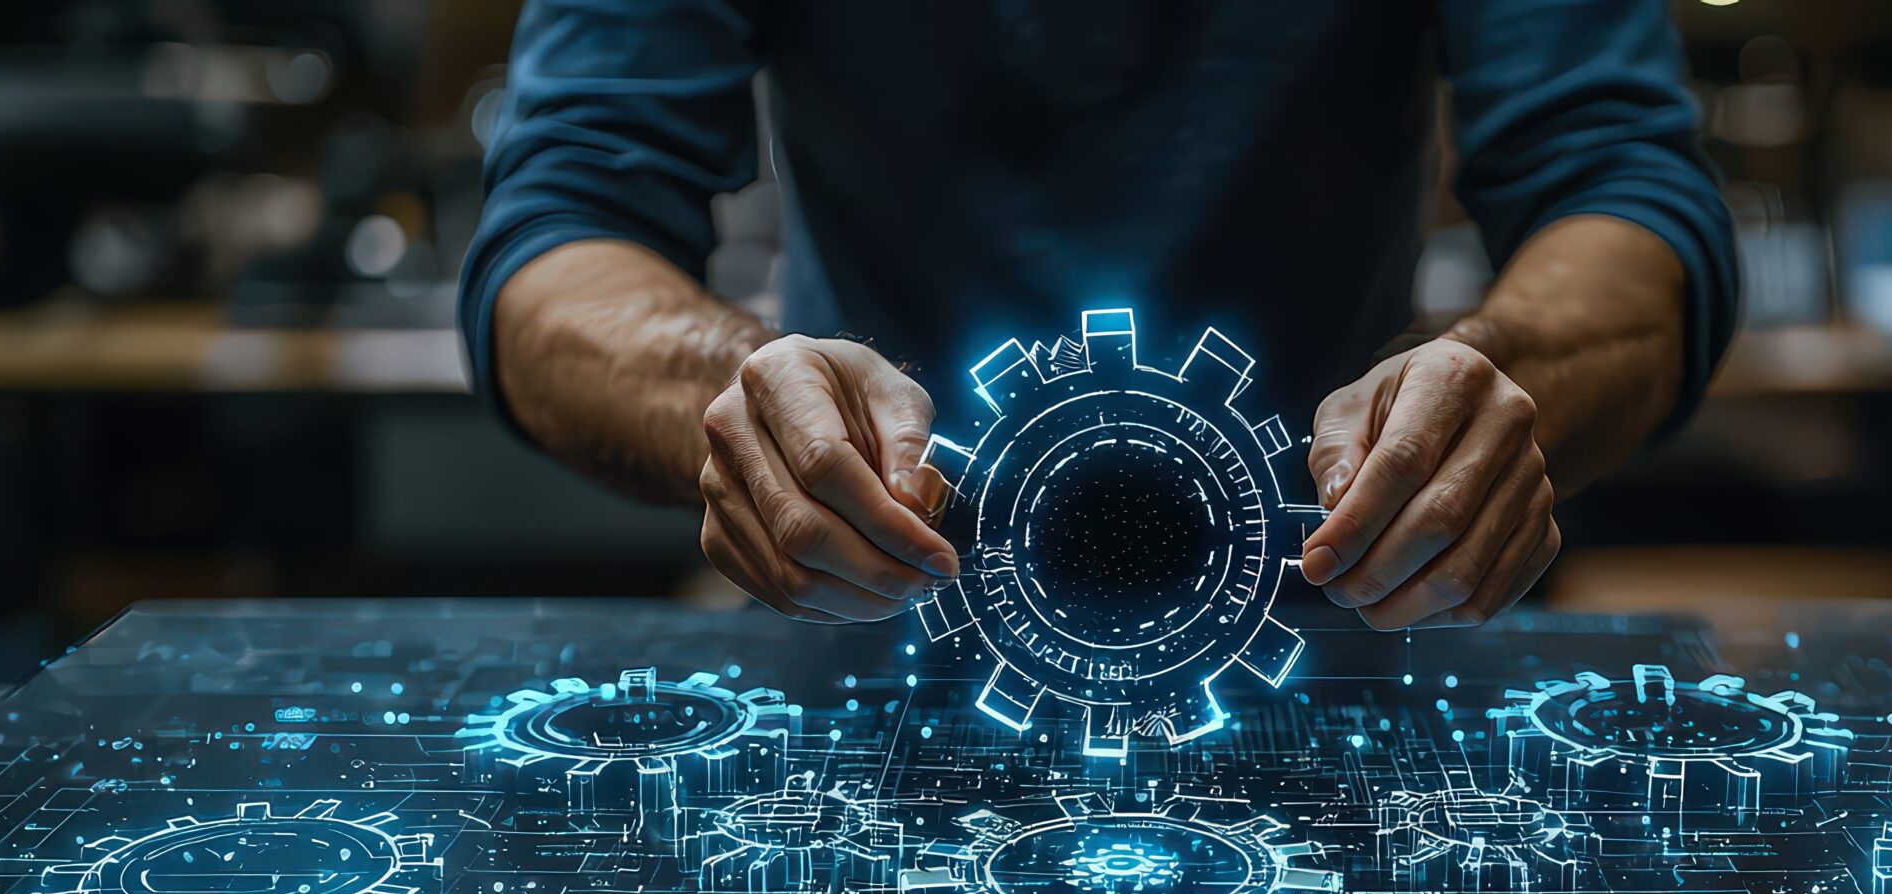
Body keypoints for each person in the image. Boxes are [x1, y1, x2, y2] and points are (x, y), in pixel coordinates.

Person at [462, 1, 1736, 630]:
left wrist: (1483, 395)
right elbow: (561, 233)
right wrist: (752, 414)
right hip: (876, 615)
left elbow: (1615, 185)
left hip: (1347, 616)